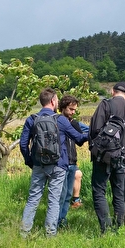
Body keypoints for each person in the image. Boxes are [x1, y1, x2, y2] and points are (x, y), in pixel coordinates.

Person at [19, 88, 89, 237]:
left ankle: (24, 233)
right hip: (59, 165)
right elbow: (79, 138)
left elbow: (23, 144)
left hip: (39, 164)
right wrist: (92, 133)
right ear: (53, 101)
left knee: (33, 199)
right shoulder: (61, 120)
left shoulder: (32, 119)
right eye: (57, 100)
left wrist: (30, 161)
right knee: (54, 200)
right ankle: (50, 233)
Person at [89, 82, 125, 233]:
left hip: (104, 156)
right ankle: (120, 227)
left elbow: (94, 130)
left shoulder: (106, 105)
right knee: (119, 192)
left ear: (112, 91)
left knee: (99, 190)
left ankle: (105, 228)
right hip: (123, 159)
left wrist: (94, 150)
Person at [57, 95, 87, 227]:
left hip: (72, 162)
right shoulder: (57, 121)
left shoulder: (74, 123)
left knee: (68, 194)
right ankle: (56, 220)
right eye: (70, 109)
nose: (73, 112)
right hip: (61, 163)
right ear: (62, 108)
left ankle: (62, 219)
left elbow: (79, 140)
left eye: (75, 110)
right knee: (61, 195)